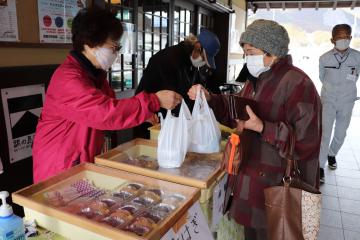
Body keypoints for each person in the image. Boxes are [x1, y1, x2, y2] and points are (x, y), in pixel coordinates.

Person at [188, 19, 321, 239]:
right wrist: (210, 98)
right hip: (250, 184)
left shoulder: (299, 84)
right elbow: (237, 113)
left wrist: (263, 128)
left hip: (278, 189)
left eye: (251, 51)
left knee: (275, 233)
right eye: (245, 52)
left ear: (273, 51)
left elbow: (307, 144)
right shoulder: (255, 81)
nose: (247, 57)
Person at [32, 7, 182, 183]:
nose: (116, 53)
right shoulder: (68, 79)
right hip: (59, 168)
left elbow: (113, 107)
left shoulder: (95, 75)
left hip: (79, 161)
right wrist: (153, 101)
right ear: (90, 43)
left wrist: (142, 115)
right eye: (114, 46)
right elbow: (105, 113)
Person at [134, 29, 220, 138]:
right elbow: (146, 93)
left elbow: (192, 93)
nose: (202, 62)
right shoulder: (167, 59)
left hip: (172, 126)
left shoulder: (190, 64)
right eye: (203, 58)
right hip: (153, 124)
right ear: (197, 47)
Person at [319, 24, 360, 183]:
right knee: (325, 133)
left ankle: (332, 154)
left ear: (350, 38)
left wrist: (346, 90)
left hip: (347, 100)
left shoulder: (357, 57)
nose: (343, 39)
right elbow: (322, 77)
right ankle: (320, 166)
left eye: (346, 36)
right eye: (339, 37)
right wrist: (332, 90)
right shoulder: (324, 58)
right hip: (328, 99)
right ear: (332, 39)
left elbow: (357, 76)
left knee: (341, 132)